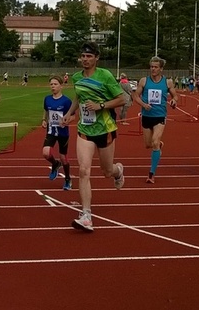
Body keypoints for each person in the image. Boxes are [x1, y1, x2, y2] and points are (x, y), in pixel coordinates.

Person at [61, 41, 126, 232]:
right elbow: (78, 97)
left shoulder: (105, 76)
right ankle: (86, 215)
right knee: (83, 171)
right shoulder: (76, 77)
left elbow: (122, 99)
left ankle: (118, 171)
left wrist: (101, 106)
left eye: (89, 56)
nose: (85, 59)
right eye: (83, 56)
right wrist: (70, 113)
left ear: (96, 58)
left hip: (105, 129)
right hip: (85, 130)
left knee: (107, 171)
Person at [133, 56, 178, 184]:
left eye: (156, 67)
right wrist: (143, 105)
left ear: (161, 69)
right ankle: (158, 145)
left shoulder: (167, 82)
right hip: (147, 116)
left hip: (160, 116)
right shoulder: (144, 81)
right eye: (151, 66)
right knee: (148, 144)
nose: (153, 69)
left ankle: (151, 174)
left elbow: (175, 96)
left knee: (154, 142)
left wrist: (174, 101)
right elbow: (136, 96)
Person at [41, 75, 73, 190]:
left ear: (61, 86)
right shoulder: (47, 99)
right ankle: (55, 164)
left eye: (55, 84)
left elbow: (73, 116)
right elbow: (46, 111)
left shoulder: (66, 101)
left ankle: (68, 179)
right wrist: (44, 120)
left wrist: (66, 121)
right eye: (51, 84)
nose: (53, 86)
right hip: (51, 131)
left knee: (63, 157)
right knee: (46, 153)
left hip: (63, 132)